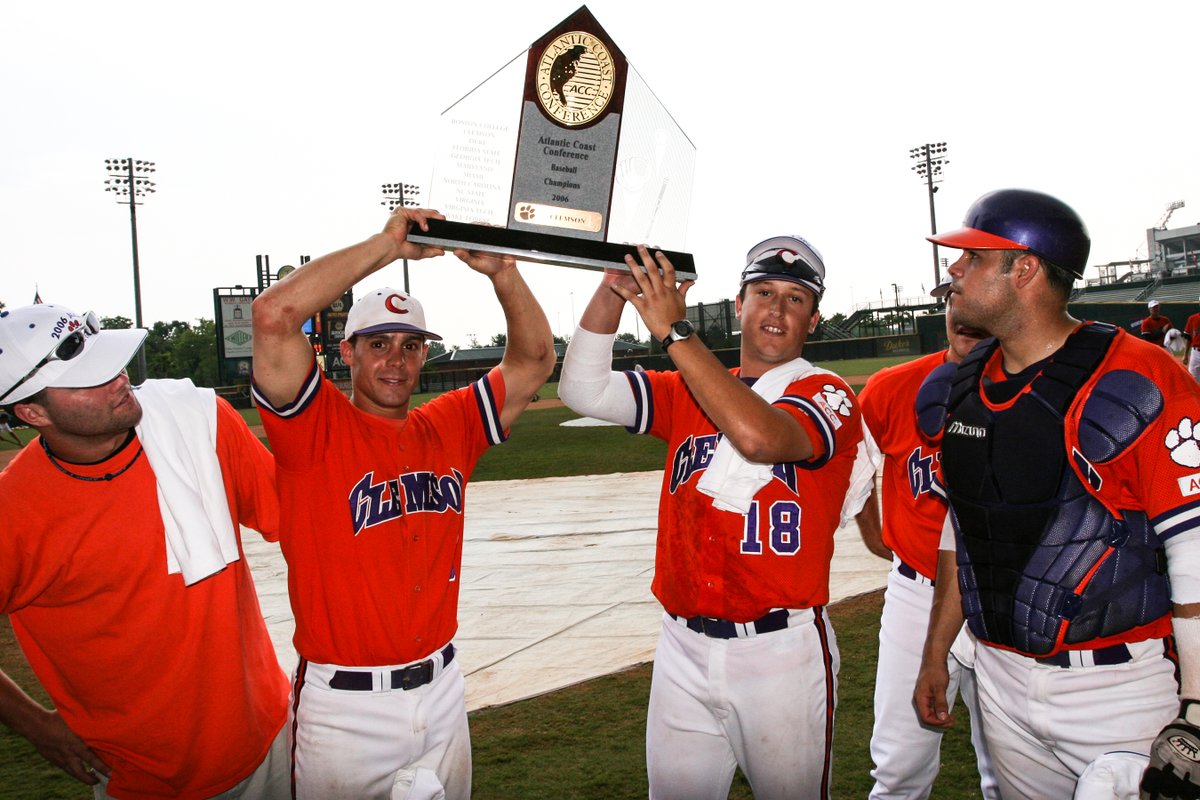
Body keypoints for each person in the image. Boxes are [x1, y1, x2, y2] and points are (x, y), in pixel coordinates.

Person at [250, 207, 555, 800]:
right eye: (379, 343)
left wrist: (504, 275)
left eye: (411, 345)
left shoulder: (450, 425)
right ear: (347, 353)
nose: (396, 359)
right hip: (344, 710)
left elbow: (533, 361)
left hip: (441, 691)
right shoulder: (314, 427)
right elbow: (274, 315)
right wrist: (389, 245)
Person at [910, 189, 1200, 798]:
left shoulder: (1138, 378)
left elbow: (1195, 555)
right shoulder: (963, 382)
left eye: (973, 257)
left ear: (1025, 269)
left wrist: (1197, 709)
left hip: (1115, 689)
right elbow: (966, 528)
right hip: (999, 675)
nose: (953, 270)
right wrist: (936, 651)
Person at [559, 237, 862, 799]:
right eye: (764, 293)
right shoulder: (685, 389)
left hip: (778, 652)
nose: (776, 309)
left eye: (795, 299)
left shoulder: (827, 391)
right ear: (740, 304)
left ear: (814, 320)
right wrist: (613, 291)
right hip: (683, 646)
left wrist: (677, 332)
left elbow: (759, 436)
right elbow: (583, 388)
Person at [0, 303, 290, 799]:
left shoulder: (200, 424)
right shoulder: (13, 511)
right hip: (141, 777)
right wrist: (35, 725)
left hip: (270, 742)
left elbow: (305, 524)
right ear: (32, 412)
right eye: (89, 377)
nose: (118, 379)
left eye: (110, 361)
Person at [852, 278, 999, 799]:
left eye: (971, 295)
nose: (960, 308)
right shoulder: (893, 386)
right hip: (918, 593)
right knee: (899, 768)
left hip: (1005, 597)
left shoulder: (1038, 390)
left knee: (1010, 776)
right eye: (951, 298)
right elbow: (853, 467)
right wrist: (876, 532)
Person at [1184, 296, 1200, 382]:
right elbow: (1188, 338)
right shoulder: (1192, 318)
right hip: (1195, 353)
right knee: (1192, 379)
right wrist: (1185, 354)